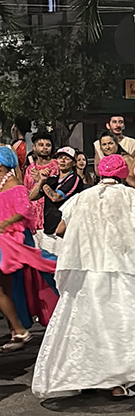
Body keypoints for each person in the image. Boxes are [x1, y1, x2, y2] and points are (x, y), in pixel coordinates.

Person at [31, 154, 135, 399]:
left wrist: (88, 235)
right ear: (123, 173)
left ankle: (89, 375)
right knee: (122, 323)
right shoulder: (133, 197)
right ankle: (118, 379)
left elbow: (61, 230)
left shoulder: (82, 198)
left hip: (89, 269)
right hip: (126, 266)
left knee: (89, 323)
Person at [0, 146, 58, 353]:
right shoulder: (2, 184)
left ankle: (21, 329)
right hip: (4, 240)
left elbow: (25, 209)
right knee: (9, 288)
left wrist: (5, 223)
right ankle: (17, 329)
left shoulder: (14, 184)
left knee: (25, 282)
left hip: (16, 240)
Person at [29, 146, 86, 237]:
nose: (63, 161)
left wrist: (42, 182)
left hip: (65, 232)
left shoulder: (74, 179)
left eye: (67, 158)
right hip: (49, 229)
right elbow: (32, 197)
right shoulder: (52, 179)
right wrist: (41, 181)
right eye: (60, 158)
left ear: (74, 163)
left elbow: (56, 197)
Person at [22, 131, 58, 232]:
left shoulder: (56, 166)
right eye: (41, 145)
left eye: (48, 145)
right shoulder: (29, 169)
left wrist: (41, 180)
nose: (45, 148)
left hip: (49, 214)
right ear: (34, 147)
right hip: (32, 216)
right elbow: (26, 191)